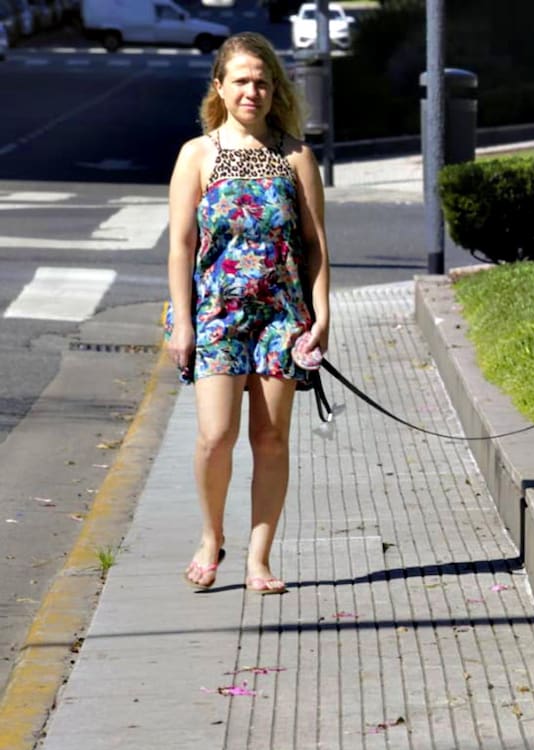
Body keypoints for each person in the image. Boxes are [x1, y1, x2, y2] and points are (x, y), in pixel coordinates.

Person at [164, 31, 330, 595]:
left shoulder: (296, 157)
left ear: (274, 88)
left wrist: (321, 314)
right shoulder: (198, 155)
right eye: (241, 80)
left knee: (271, 438)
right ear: (220, 87)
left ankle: (259, 558)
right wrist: (183, 322)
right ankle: (212, 538)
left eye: (262, 81)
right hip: (216, 314)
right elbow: (181, 245)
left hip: (282, 315)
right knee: (215, 435)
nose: (252, 91)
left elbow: (315, 246)